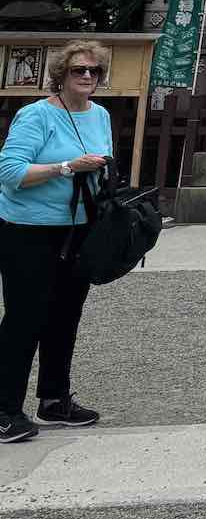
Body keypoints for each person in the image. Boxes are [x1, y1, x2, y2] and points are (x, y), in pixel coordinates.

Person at [0, 41, 114, 443]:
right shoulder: (35, 115)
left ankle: (54, 399)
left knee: (65, 315)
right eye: (78, 70)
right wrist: (67, 167)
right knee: (24, 318)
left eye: (94, 72)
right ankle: (4, 409)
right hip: (28, 228)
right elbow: (11, 172)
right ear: (61, 75)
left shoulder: (100, 115)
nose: (87, 77)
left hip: (78, 227)